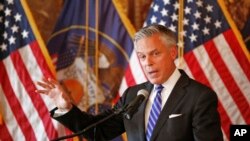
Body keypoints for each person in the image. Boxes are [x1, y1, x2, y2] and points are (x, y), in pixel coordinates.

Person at [36, 24, 223, 141]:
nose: (147, 63)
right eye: (142, 57)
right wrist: (66, 107)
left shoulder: (199, 97)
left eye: (155, 54)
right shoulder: (134, 95)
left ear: (173, 53)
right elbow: (98, 131)